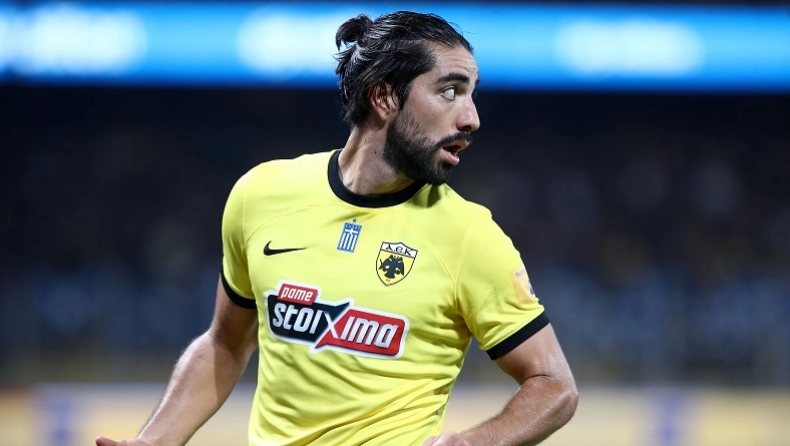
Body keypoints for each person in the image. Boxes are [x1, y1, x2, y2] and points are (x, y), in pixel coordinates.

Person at [96, 11, 577, 446]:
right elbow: (225, 343)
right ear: (383, 96)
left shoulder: (470, 236)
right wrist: (152, 442)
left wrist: (473, 444)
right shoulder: (261, 195)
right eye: (450, 91)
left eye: (472, 94)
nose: (471, 118)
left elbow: (555, 386)